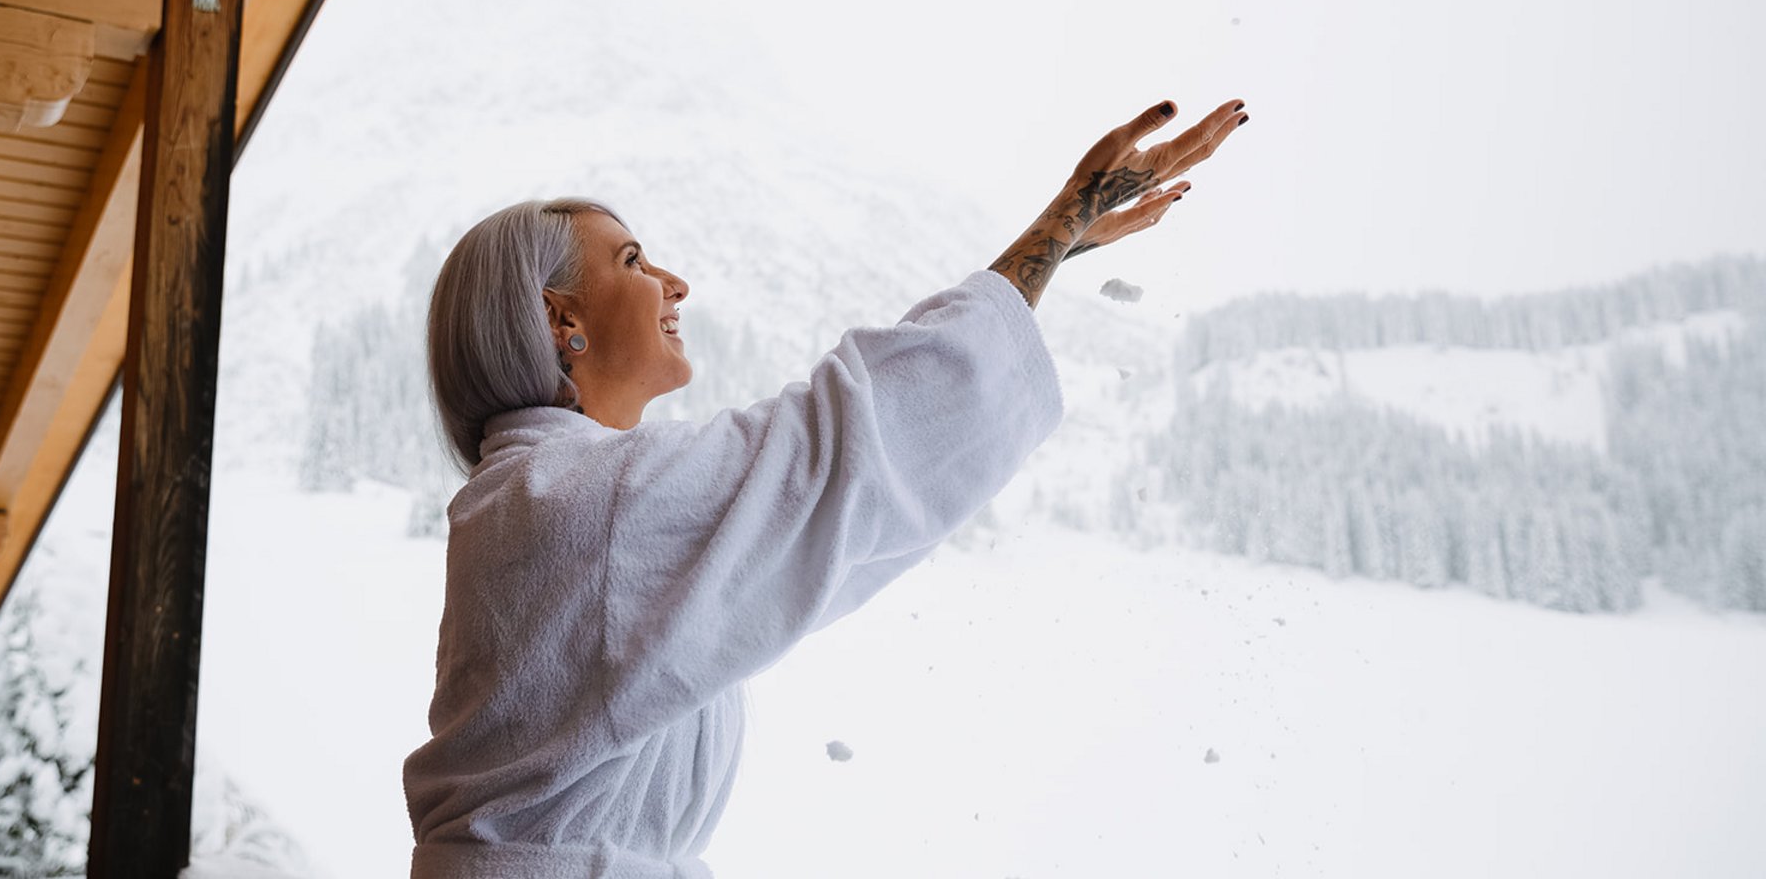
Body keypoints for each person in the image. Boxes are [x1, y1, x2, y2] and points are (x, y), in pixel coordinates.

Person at [403, 98, 1251, 877]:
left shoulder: (539, 499)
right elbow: (853, 441)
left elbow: (823, 508)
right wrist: (1063, 223)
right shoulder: (578, 499)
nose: (674, 282)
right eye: (633, 261)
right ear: (564, 321)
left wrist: (1058, 247)